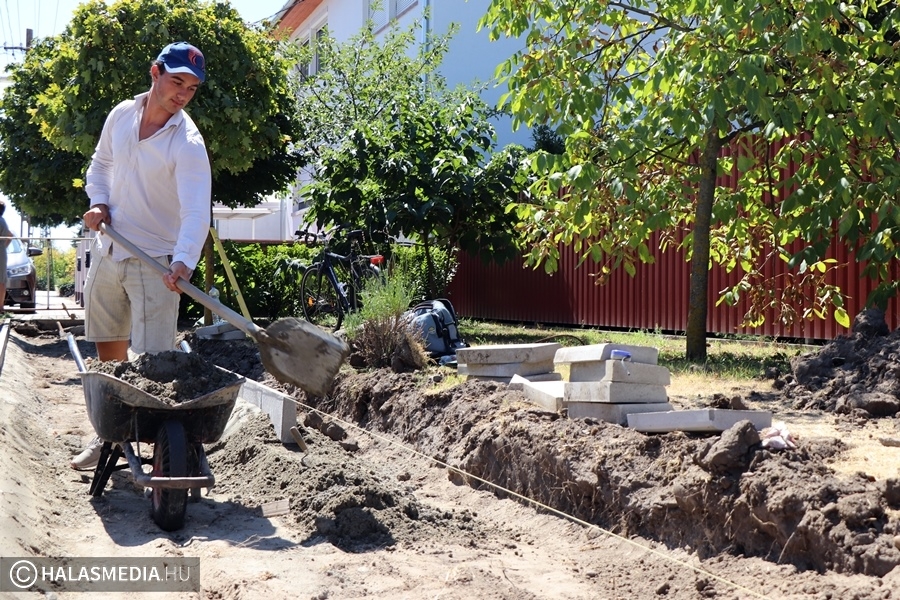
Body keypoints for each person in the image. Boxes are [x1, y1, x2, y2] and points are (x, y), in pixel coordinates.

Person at [70, 42, 212, 470]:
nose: (182, 93)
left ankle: (163, 454)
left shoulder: (187, 144)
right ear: (155, 73)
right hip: (110, 248)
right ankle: (108, 433)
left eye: (191, 87)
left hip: (156, 261)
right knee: (108, 345)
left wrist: (183, 260)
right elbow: (100, 165)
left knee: (154, 365)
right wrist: (100, 202)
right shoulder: (121, 115)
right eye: (176, 82)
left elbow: (195, 211)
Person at [0, 200, 13, 309]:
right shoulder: (3, 221)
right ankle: (0, 306)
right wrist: (4, 246)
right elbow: (10, 235)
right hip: (1, 253)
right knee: (1, 279)